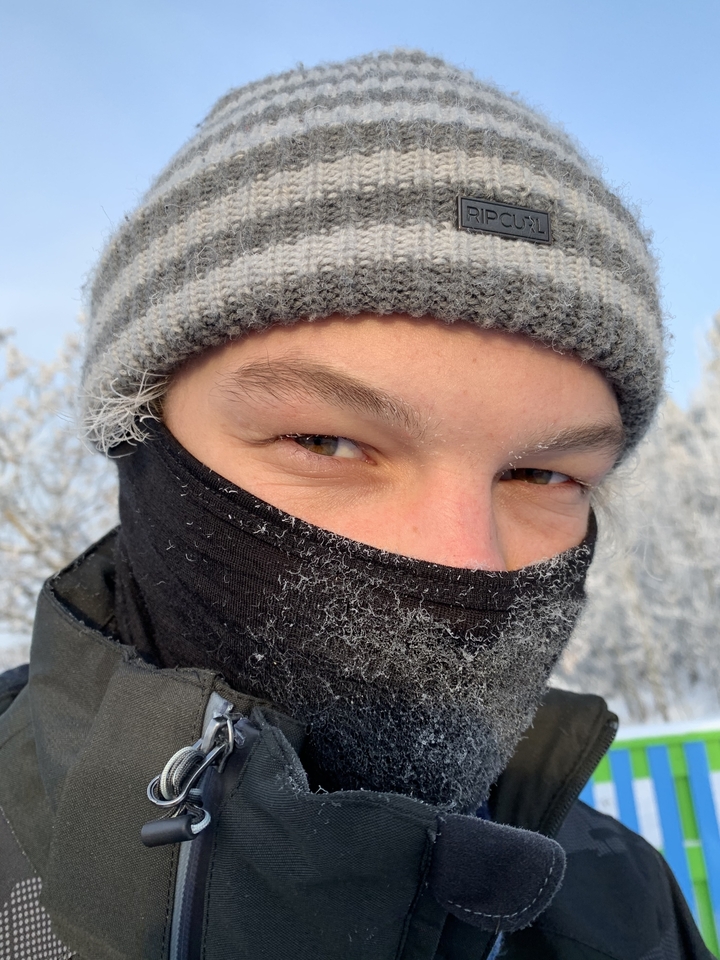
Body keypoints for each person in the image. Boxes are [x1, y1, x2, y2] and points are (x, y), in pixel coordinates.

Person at [0, 49, 710, 960]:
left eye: (541, 477)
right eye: (327, 442)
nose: (468, 561)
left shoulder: (620, 894)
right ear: (139, 436)